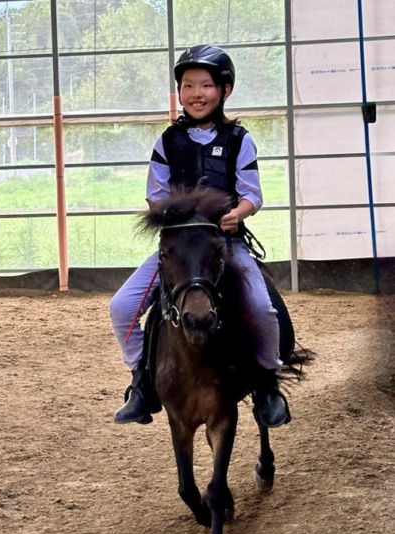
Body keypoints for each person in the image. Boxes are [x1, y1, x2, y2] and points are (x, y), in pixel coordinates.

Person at [110, 44, 291, 428]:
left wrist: (237, 214)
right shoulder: (167, 142)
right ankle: (141, 384)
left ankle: (267, 385)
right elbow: (156, 195)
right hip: (180, 249)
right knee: (122, 307)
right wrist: (172, 216)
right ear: (179, 92)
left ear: (224, 90)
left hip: (225, 246)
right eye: (188, 85)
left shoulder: (240, 139)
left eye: (206, 85)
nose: (196, 93)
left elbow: (252, 194)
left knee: (262, 307)